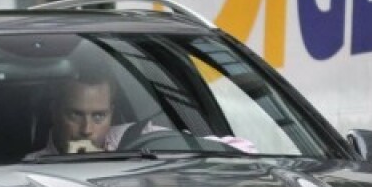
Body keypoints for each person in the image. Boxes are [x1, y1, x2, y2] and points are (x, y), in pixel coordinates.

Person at [24, 63, 258, 160]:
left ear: (111, 113)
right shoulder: (30, 168)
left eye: (98, 116)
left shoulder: (139, 138)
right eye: (75, 115)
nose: (87, 130)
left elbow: (244, 150)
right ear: (55, 112)